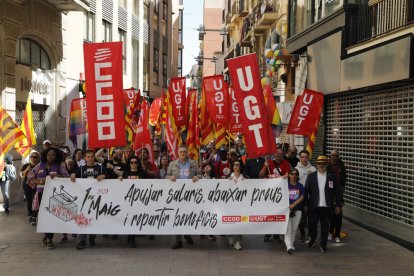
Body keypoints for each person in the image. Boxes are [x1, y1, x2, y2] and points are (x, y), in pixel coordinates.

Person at [27, 147, 68, 250]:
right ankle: (47, 235)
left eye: (53, 155)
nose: (51, 157)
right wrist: (40, 181)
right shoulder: (39, 165)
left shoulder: (60, 165)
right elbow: (30, 177)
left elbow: (66, 177)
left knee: (52, 216)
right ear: (45, 155)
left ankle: (49, 239)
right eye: (49, 155)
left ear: (56, 156)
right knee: (44, 216)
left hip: (55, 195)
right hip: (41, 194)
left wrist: (57, 176)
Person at [304, 155, 342, 253]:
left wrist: (338, 205)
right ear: (316, 165)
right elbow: (306, 191)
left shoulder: (332, 177)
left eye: (324, 164)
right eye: (319, 164)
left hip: (327, 207)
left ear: (327, 164)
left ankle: (323, 245)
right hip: (313, 206)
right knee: (312, 225)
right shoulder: (311, 176)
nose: (321, 165)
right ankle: (313, 237)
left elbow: (337, 192)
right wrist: (305, 205)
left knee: (325, 227)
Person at [166, 144, 201, 249]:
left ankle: (187, 234)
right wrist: (170, 177)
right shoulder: (172, 164)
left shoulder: (193, 163)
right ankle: (178, 240)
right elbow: (166, 176)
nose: (182, 153)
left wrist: (197, 177)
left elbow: (200, 175)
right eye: (181, 151)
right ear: (178, 153)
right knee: (177, 216)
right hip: (176, 195)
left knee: (188, 215)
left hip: (190, 194)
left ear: (187, 153)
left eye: (184, 152)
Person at [70, 149, 107, 250]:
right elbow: (75, 177)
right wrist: (73, 175)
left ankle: (92, 237)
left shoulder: (100, 167)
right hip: (84, 198)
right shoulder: (81, 168)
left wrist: (103, 176)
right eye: (88, 157)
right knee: (83, 217)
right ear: (85, 158)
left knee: (93, 218)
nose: (90, 159)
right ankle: (82, 240)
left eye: (92, 157)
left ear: (94, 157)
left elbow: (107, 176)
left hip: (97, 198)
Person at [119, 156, 146, 248]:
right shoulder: (125, 174)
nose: (133, 164)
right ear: (129, 164)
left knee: (134, 220)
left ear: (138, 164)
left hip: (138, 200)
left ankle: (132, 238)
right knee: (128, 219)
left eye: (135, 162)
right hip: (127, 201)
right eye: (131, 162)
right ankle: (130, 237)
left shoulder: (142, 174)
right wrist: (120, 180)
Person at [295, 149, 316, 242]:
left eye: (306, 157)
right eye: (302, 157)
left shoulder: (313, 169)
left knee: (312, 218)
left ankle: (311, 235)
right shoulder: (296, 169)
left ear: (308, 158)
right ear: (299, 158)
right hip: (300, 197)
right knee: (301, 218)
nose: (304, 159)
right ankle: (303, 234)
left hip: (311, 198)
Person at [328, 149, 347, 243]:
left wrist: (342, 188)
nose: (335, 157)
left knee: (338, 212)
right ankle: (331, 232)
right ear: (330, 156)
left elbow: (344, 176)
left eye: (336, 155)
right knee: (331, 214)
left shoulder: (341, 164)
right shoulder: (327, 165)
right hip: (330, 191)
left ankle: (337, 234)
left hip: (339, 190)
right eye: (333, 155)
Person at [284, 168, 305, 254]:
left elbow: (302, 197)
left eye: (296, 174)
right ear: (289, 175)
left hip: (297, 209)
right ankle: (288, 245)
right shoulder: (285, 185)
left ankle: (291, 244)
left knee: (294, 227)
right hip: (287, 210)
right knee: (288, 228)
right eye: (292, 174)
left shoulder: (300, 186)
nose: (294, 176)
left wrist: (294, 204)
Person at [228, 160, 245, 250]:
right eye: (234, 164)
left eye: (237, 164)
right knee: (230, 221)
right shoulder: (228, 176)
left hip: (241, 205)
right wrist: (227, 182)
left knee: (240, 223)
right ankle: (231, 236)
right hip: (230, 204)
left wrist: (246, 182)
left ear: (240, 167)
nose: (235, 166)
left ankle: (238, 242)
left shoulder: (244, 177)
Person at [20, 151, 41, 223]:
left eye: (35, 157)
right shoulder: (26, 165)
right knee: (29, 201)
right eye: (31, 157)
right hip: (26, 185)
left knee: (34, 201)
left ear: (38, 158)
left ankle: (33, 216)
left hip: (36, 186)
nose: (33, 158)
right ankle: (30, 214)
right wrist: (27, 169)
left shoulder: (39, 166)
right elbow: (21, 175)